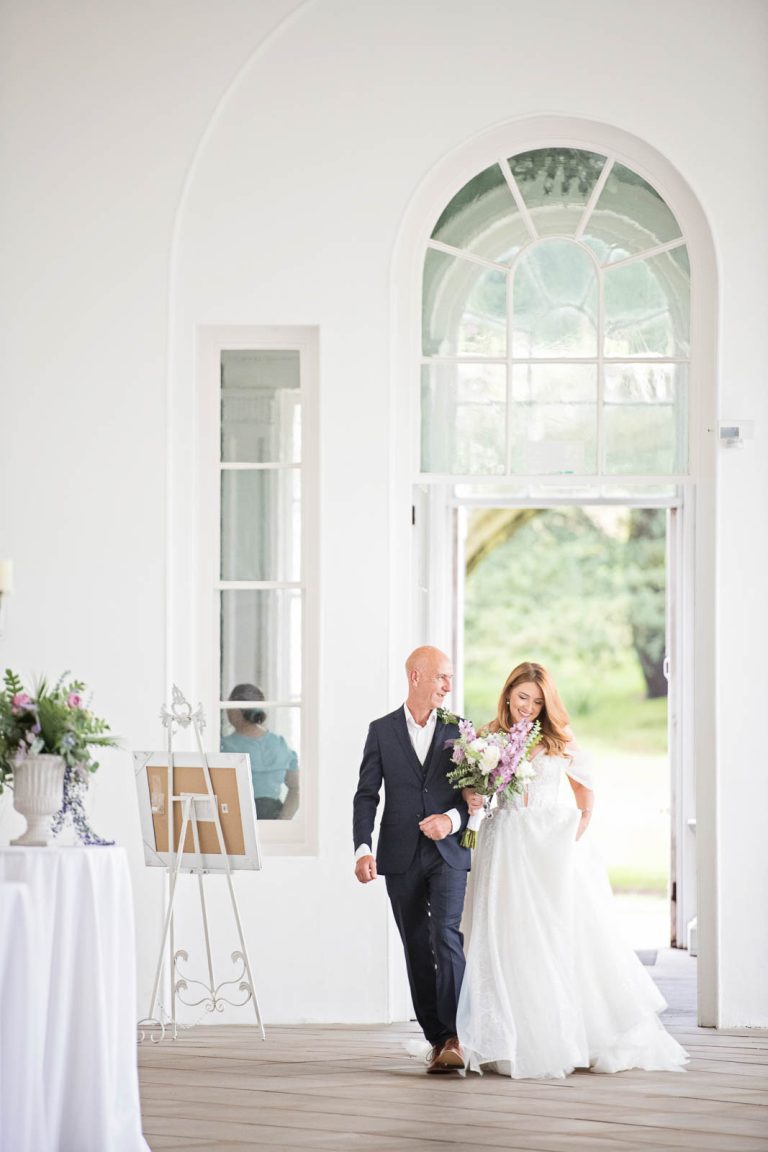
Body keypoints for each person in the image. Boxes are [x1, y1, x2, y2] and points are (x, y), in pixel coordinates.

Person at [456, 661, 689, 1079]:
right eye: (523, 697)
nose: (528, 707)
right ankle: (498, 1034)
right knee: (500, 930)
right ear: (509, 693)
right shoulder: (488, 737)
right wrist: (475, 794)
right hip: (501, 842)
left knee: (551, 933)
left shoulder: (556, 740)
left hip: (545, 846)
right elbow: (472, 787)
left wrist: (570, 835)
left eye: (538, 701)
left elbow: (585, 795)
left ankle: (561, 1033)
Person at [353, 646, 471, 1074]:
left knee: (446, 935)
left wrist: (452, 819)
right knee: (416, 945)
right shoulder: (381, 731)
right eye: (442, 676)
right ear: (415, 676)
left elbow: (476, 798)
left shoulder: (462, 730)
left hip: (448, 852)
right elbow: (367, 795)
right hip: (398, 855)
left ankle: (456, 1035)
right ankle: (436, 1037)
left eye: (450, 678)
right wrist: (362, 848)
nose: (448, 685)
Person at [221, 684, 300, 820]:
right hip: (273, 816)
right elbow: (296, 788)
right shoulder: (280, 744)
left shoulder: (225, 746)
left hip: (239, 819)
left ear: (236, 710)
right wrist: (283, 820)